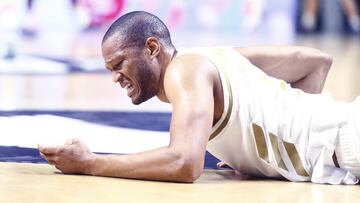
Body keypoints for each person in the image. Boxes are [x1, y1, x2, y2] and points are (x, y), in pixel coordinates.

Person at [39, 11, 360, 185]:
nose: (114, 77)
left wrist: (90, 163)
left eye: (119, 63)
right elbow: (316, 61)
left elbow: (184, 163)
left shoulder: (183, 71)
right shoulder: (215, 57)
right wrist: (270, 149)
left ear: (152, 49)